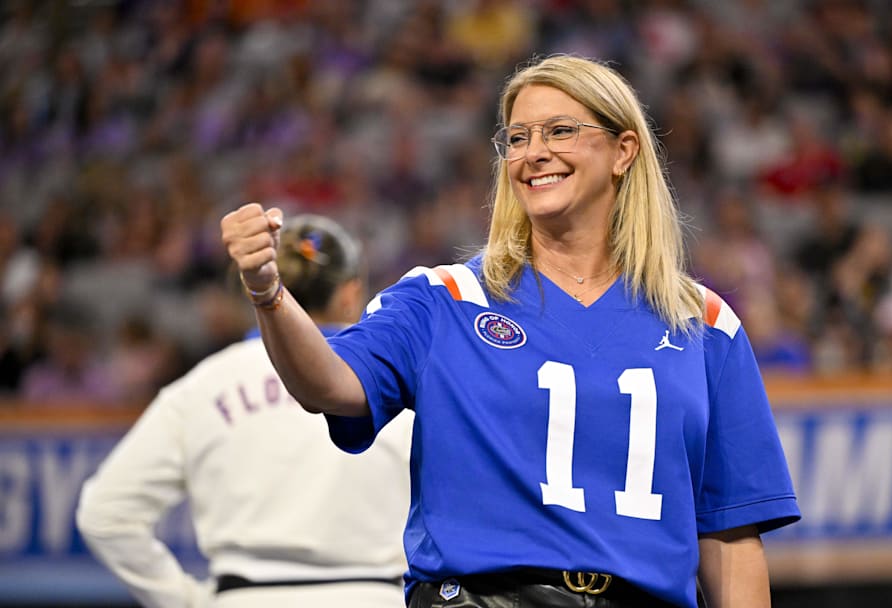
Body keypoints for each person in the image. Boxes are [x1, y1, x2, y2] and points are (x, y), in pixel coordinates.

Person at [221, 55, 800, 608]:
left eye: (559, 131)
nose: (534, 153)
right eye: (517, 138)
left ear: (624, 150)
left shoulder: (705, 324)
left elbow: (730, 538)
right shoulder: (444, 299)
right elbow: (330, 382)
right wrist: (268, 292)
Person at [77, 215, 413, 608]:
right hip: (375, 597)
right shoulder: (401, 383)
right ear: (349, 294)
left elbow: (104, 514)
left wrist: (188, 601)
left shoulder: (203, 385)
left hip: (246, 595)